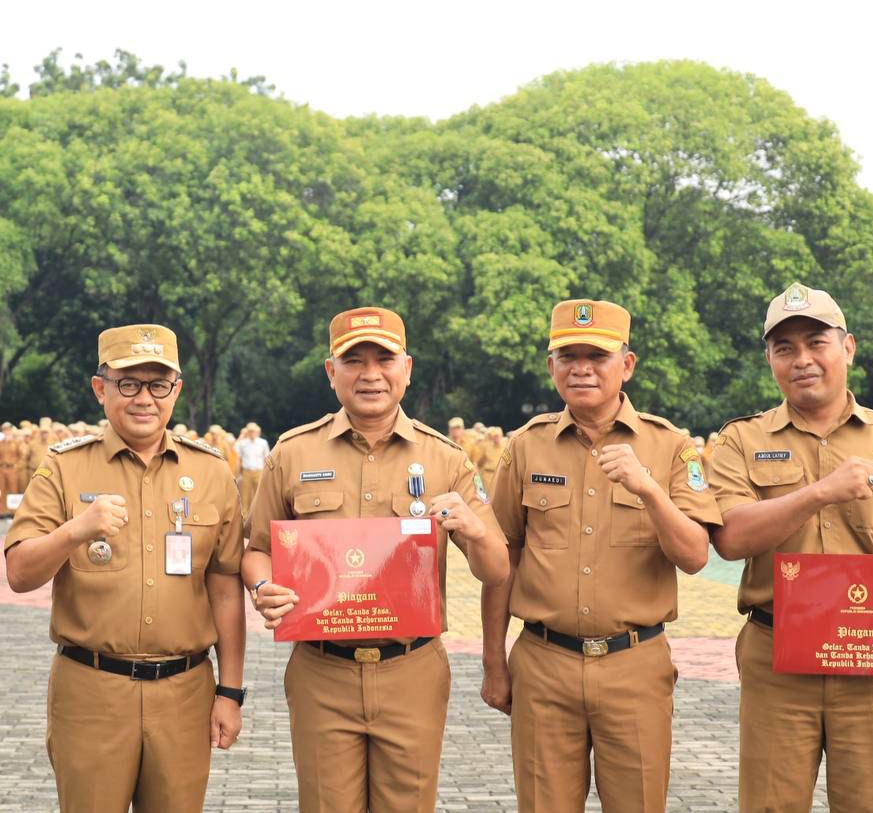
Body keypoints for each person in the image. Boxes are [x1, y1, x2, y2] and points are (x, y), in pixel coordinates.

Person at [240, 306, 509, 813]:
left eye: (383, 359)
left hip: (412, 669)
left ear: (406, 368)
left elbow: (497, 569)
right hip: (323, 672)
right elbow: (256, 552)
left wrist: (472, 528)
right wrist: (261, 589)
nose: (370, 374)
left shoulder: (445, 458)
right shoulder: (292, 454)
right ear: (330, 372)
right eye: (354, 360)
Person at [708, 282, 873, 812]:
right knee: (769, 805)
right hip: (775, 656)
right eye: (785, 348)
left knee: (872, 804)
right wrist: (819, 493)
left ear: (847, 347)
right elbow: (731, 538)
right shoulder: (740, 441)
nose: (802, 360)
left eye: (816, 343)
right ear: (770, 360)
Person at [481, 299, 719, 812]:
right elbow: (504, 558)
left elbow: (696, 555)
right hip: (544, 664)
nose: (581, 367)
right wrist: (493, 662)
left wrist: (649, 490)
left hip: (634, 665)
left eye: (597, 355)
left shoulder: (671, 446)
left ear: (626, 365)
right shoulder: (526, 447)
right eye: (568, 355)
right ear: (551, 367)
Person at [4, 323, 245, 813]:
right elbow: (20, 572)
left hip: (184, 693)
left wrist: (231, 691)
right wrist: (76, 530)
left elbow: (224, 587)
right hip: (92, 692)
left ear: (176, 390)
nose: (144, 399)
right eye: (128, 384)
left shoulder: (211, 472)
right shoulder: (64, 468)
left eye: (159, 385)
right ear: (101, 388)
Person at [235, 421, 269, 512]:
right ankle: (245, 516)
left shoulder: (263, 443)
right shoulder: (243, 443)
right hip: (247, 471)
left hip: (259, 471)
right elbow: (236, 453)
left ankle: (260, 513)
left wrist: (266, 473)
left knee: (259, 494)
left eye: (254, 431)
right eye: (250, 431)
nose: (252, 434)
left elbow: (266, 458)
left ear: (258, 432)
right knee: (245, 495)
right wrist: (238, 473)